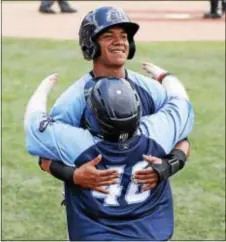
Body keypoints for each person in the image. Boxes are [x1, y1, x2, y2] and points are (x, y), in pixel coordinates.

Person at [24, 64, 194, 240]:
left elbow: (34, 127)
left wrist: (42, 90)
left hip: (95, 234)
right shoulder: (157, 133)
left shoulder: (78, 144)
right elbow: (181, 101)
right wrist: (164, 76)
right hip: (151, 233)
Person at [37, 6, 191, 192]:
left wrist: (169, 165)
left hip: (149, 213)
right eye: (108, 36)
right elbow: (45, 157)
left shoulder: (151, 90)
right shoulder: (73, 100)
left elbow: (181, 138)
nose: (119, 42)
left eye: (124, 36)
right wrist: (74, 175)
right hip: (92, 215)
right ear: (91, 44)